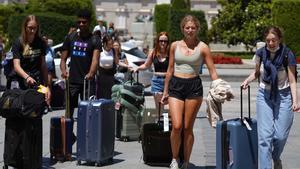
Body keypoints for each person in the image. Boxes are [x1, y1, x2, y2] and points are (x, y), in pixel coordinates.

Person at [161, 15, 218, 169]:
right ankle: (174, 158)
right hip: (176, 86)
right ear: (183, 29)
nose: (190, 30)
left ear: (197, 29)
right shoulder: (174, 45)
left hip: (194, 86)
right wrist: (165, 91)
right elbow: (170, 69)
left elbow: (213, 71)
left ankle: (186, 161)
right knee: (177, 126)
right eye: (187, 27)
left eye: (193, 27)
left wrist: (218, 87)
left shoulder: (203, 47)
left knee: (187, 127)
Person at [241, 26, 300, 169]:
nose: (271, 43)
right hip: (264, 95)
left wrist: (296, 101)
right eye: (268, 40)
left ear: (279, 39)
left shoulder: (287, 55)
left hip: (284, 95)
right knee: (264, 138)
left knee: (280, 136)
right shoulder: (261, 53)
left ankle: (275, 157)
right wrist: (247, 81)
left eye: (274, 40)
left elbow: (292, 80)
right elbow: (256, 73)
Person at [60, 9, 102, 142]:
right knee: (68, 112)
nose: (81, 24)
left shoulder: (95, 39)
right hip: (72, 81)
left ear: (89, 22)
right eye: (79, 22)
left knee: (88, 112)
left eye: (84, 22)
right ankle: (68, 137)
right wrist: (63, 71)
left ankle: (86, 139)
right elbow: (63, 59)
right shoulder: (71, 37)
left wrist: (91, 73)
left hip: (87, 82)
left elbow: (95, 59)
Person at [12, 15, 51, 103]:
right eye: (30, 28)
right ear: (25, 27)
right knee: (24, 108)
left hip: (37, 81)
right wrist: (27, 77)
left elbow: (43, 65)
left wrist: (47, 86)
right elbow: (16, 66)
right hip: (22, 80)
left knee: (39, 106)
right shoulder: (18, 42)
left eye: (35, 28)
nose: (32, 31)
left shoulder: (41, 42)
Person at [134, 31, 170, 112]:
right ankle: (160, 123)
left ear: (168, 42)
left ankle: (170, 123)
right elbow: (146, 65)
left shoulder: (170, 53)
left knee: (170, 107)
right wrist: (137, 68)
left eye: (165, 41)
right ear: (158, 41)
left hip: (169, 81)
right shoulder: (153, 53)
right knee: (159, 108)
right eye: (161, 41)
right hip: (157, 81)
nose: (163, 43)